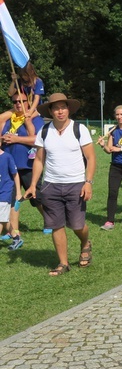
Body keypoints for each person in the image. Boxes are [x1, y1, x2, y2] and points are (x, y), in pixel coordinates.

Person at [24, 93, 96, 276]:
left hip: (76, 184)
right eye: (56, 108)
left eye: (63, 107)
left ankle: (85, 243)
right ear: (50, 111)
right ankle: (63, 263)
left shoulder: (79, 129)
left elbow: (91, 157)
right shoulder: (44, 132)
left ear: (68, 109)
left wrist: (88, 182)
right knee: (56, 225)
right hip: (51, 185)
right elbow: (39, 160)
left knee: (77, 225)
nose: (60, 111)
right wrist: (33, 185)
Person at [0, 91, 47, 234]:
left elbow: (37, 140)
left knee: (36, 197)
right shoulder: (9, 119)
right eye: (15, 102)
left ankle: (50, 221)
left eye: (22, 101)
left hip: (28, 164)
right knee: (13, 197)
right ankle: (14, 230)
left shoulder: (35, 119)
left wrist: (16, 139)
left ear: (29, 101)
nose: (18, 104)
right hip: (9, 165)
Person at [0, 146, 22, 250]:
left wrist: (18, 192)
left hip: (5, 193)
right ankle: (16, 237)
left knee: (0, 220)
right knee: (5, 220)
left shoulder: (7, 157)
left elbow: (15, 175)